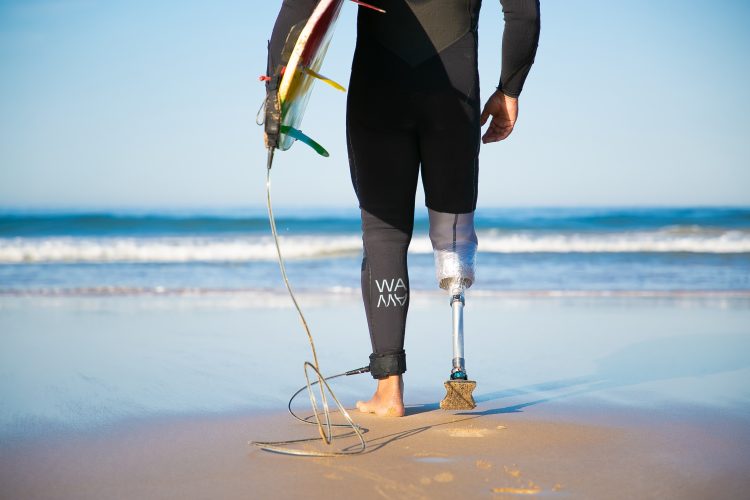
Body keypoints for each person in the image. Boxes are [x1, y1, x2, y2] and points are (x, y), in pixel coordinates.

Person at [267, 0, 540, 417]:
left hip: (379, 92)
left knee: (384, 233)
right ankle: (458, 370)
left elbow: (302, 9)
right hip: (454, 94)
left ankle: (389, 389)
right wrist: (509, 89)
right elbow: (523, 12)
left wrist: (275, 94)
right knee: (454, 236)